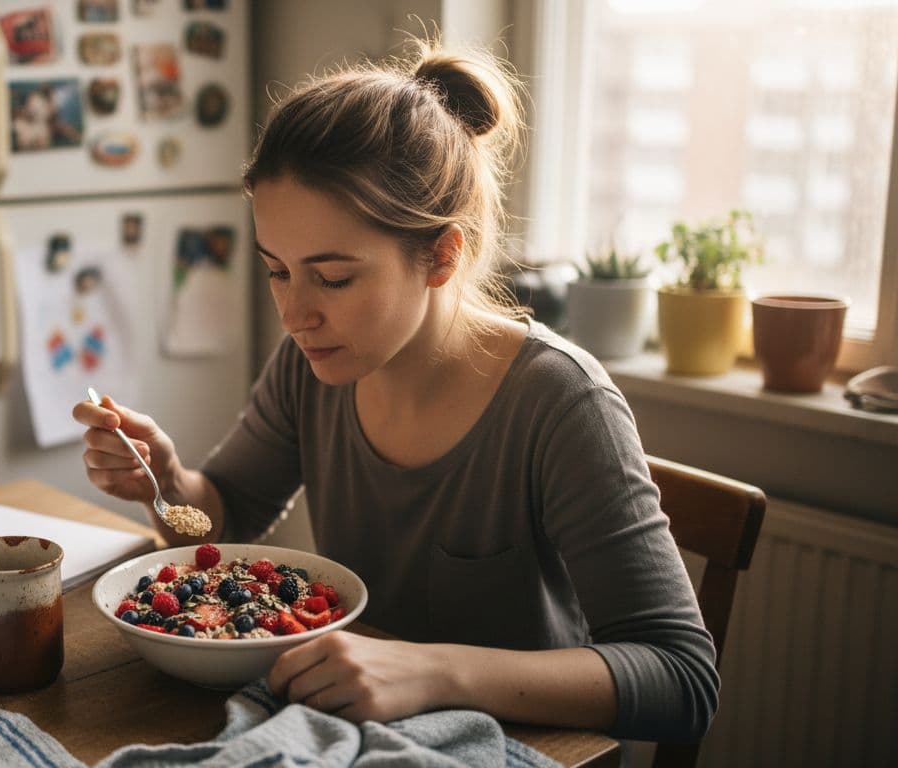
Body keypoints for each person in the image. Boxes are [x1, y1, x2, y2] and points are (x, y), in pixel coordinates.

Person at [72, 39, 717, 744]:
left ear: (441, 255)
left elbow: (680, 677)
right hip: (352, 733)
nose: (295, 315)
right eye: (278, 271)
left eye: (334, 277)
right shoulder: (309, 365)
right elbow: (224, 519)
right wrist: (164, 480)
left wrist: (432, 671)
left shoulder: (559, 405)